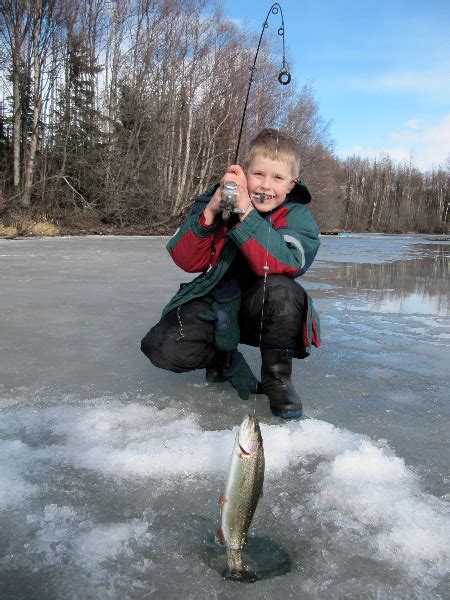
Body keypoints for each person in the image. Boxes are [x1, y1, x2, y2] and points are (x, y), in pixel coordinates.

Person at [141, 128, 320, 419]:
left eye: (277, 178)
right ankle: (222, 358)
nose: (265, 185)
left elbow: (286, 262)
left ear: (291, 185)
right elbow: (186, 260)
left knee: (284, 291)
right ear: (244, 172)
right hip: (218, 300)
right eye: (258, 174)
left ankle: (278, 379)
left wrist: (246, 214)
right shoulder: (222, 199)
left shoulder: (298, 216)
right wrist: (210, 211)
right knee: (162, 348)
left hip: (264, 310)